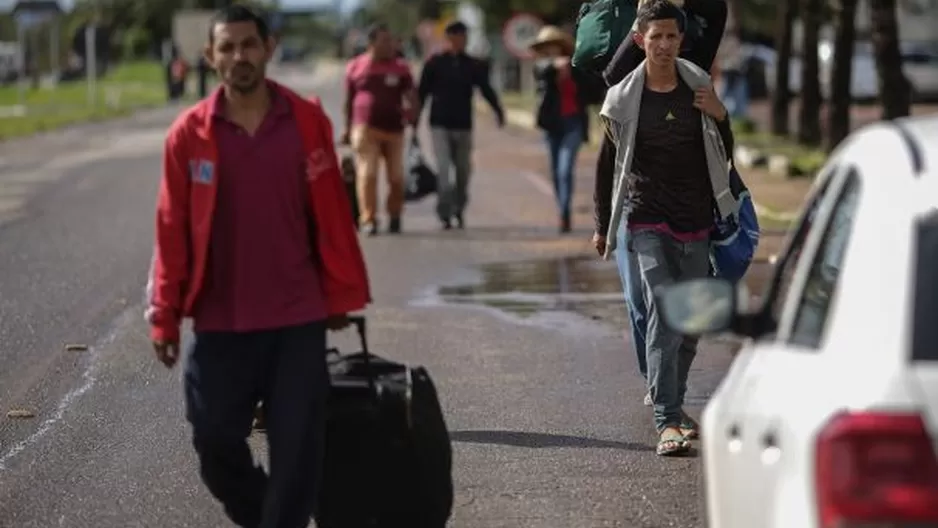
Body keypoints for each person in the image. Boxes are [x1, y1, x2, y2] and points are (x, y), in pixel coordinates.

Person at [146, 5, 371, 526]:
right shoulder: (189, 134)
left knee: (296, 454)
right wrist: (164, 312)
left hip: (297, 317)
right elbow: (170, 229)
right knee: (214, 443)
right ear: (209, 56)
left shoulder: (307, 121)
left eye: (249, 44)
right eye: (226, 47)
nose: (239, 56)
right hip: (220, 321)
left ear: (268, 48)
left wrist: (339, 294)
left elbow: (334, 218)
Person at [599, 0, 735, 456]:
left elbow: (723, 151)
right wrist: (603, 222)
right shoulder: (624, 97)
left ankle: (671, 402)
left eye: (670, 36)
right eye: (654, 36)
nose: (662, 44)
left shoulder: (698, 86)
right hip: (646, 216)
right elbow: (607, 163)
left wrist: (720, 114)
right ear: (640, 40)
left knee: (690, 319)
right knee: (663, 307)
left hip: (695, 217)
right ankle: (666, 419)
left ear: (681, 40)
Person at [417, 21, 504, 230]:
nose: (459, 41)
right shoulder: (435, 63)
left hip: (463, 126)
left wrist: (498, 110)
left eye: (463, 37)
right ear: (448, 39)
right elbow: (421, 93)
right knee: (445, 172)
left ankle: (459, 209)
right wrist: (413, 119)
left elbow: (486, 89)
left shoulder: (472, 65)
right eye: (455, 37)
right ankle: (444, 212)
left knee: (463, 172)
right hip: (440, 125)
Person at [341, 23, 418, 236]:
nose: (389, 44)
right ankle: (368, 219)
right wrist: (347, 129)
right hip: (365, 127)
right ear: (371, 43)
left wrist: (413, 113)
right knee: (368, 173)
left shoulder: (401, 67)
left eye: (391, 40)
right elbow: (348, 100)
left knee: (396, 176)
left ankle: (394, 215)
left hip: (394, 129)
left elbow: (411, 93)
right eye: (384, 40)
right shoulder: (356, 66)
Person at [530, 26, 592, 233]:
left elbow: (592, 88)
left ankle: (565, 212)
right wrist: (554, 67)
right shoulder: (541, 68)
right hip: (552, 125)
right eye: (547, 47)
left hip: (573, 123)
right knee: (556, 172)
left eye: (554, 46)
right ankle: (561, 208)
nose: (551, 49)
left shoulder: (576, 66)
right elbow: (541, 70)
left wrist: (572, 69)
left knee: (565, 170)